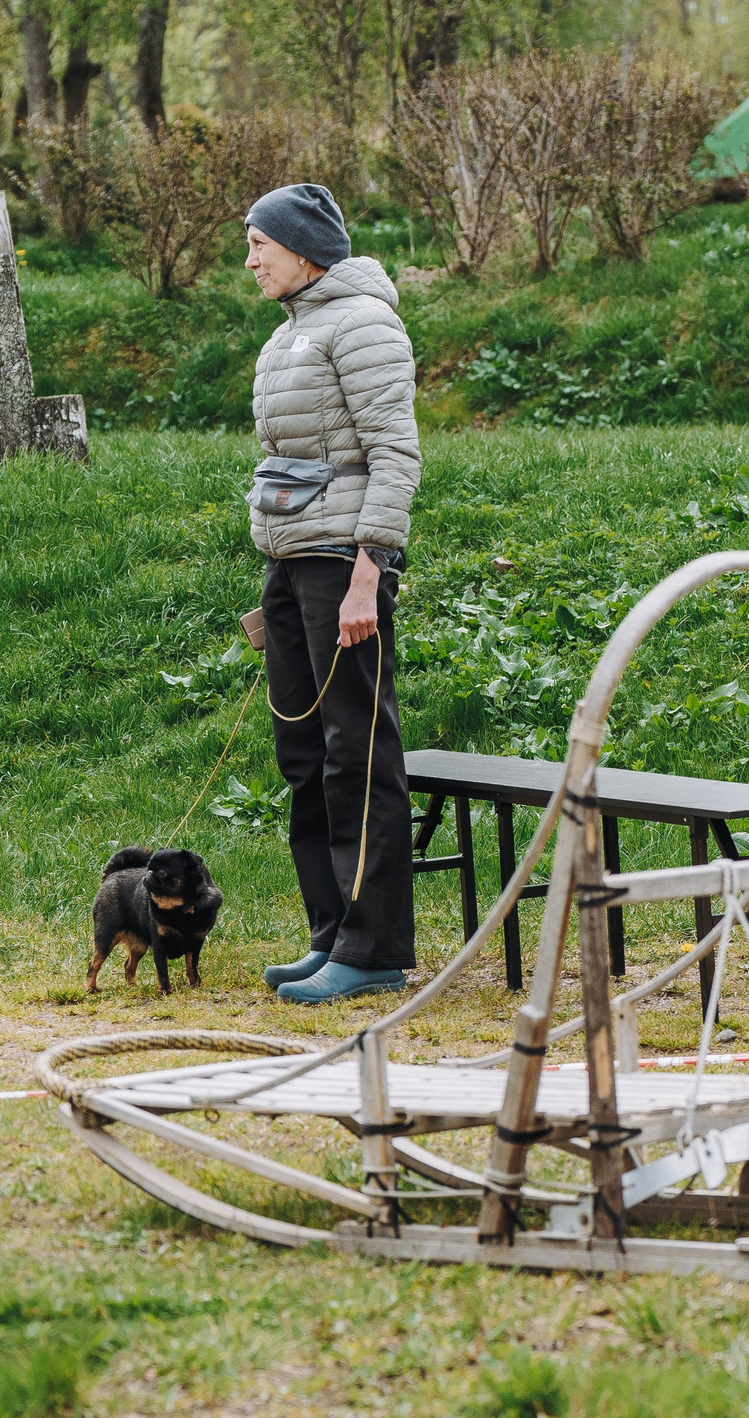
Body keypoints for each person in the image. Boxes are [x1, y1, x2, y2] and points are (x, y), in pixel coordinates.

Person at [244, 183, 423, 1006]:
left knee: (357, 751)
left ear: (303, 248)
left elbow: (394, 454)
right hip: (291, 563)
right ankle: (329, 936)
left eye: (260, 245)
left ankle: (374, 946)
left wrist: (369, 568)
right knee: (304, 755)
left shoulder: (363, 325)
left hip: (344, 566)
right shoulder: (291, 334)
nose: (250, 261)